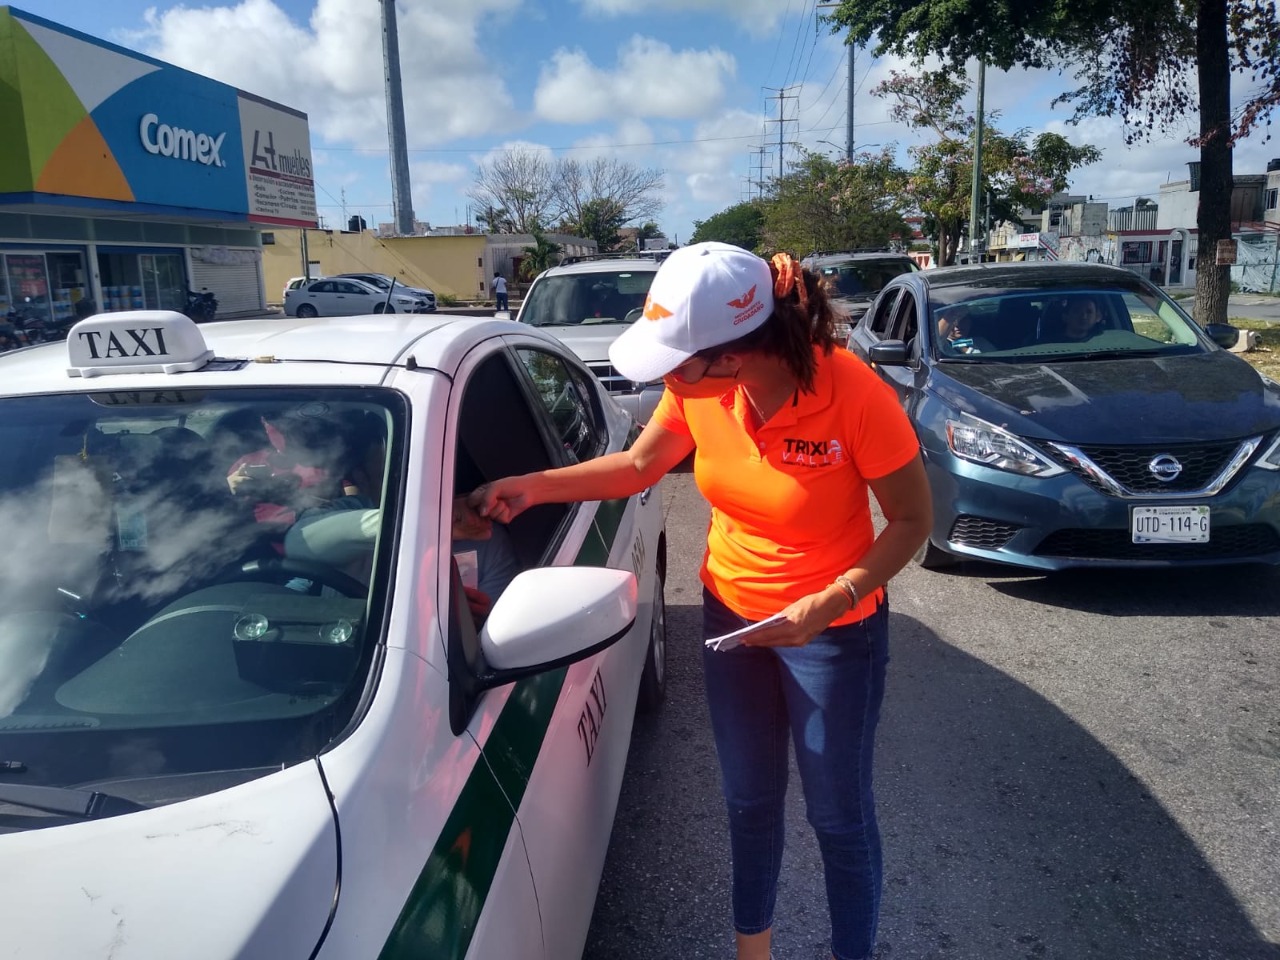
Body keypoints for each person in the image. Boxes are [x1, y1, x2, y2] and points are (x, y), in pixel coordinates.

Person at [470, 240, 932, 960]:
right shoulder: (699, 389)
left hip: (834, 632)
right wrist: (530, 487)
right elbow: (638, 464)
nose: (668, 379)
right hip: (732, 620)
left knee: (838, 817)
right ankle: (754, 953)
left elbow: (911, 521)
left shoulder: (854, 394)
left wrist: (831, 600)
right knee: (749, 803)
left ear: (734, 352)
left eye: (677, 363)